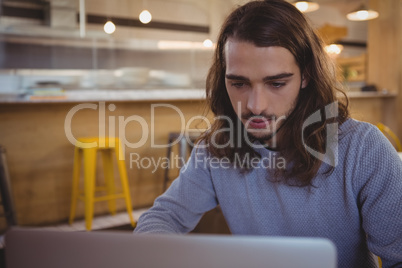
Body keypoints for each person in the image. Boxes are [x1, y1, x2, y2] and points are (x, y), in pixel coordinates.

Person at [134, 0, 402, 267]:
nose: (255, 105)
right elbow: (163, 218)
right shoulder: (216, 149)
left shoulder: (363, 149)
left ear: (305, 75)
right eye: (239, 83)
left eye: (276, 83)